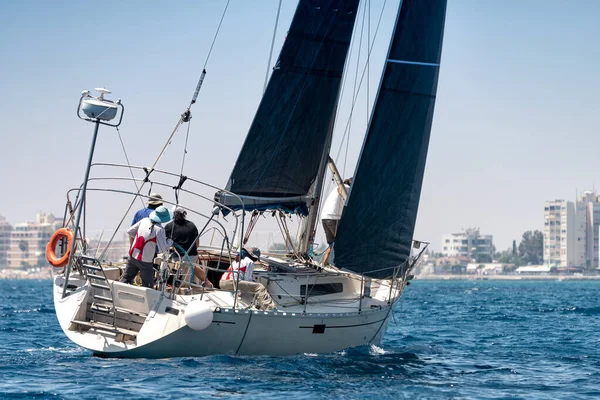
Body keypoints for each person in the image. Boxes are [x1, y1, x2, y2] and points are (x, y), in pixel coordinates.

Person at [121, 206, 173, 288]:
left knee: (125, 278)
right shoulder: (159, 229)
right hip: (145, 260)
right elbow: (162, 249)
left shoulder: (144, 220)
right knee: (148, 285)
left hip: (133, 255)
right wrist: (170, 242)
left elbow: (130, 231)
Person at [165, 207, 212, 287]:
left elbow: (165, 244)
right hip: (192, 256)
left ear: (172, 215)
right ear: (184, 214)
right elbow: (197, 244)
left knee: (170, 263)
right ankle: (208, 283)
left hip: (178, 258)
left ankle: (171, 285)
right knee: (193, 265)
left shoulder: (169, 226)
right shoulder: (192, 225)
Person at [320, 177, 352, 266]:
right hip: (334, 218)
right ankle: (340, 266)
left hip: (325, 217)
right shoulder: (346, 188)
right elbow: (340, 189)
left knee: (332, 244)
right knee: (344, 242)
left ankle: (324, 264)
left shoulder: (340, 188)